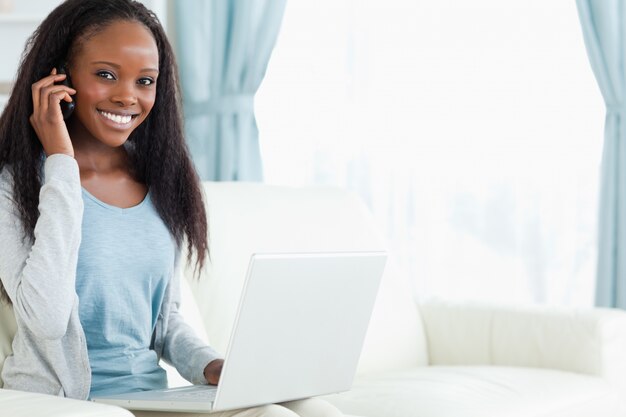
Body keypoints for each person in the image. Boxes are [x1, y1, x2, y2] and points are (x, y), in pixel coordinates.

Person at [0, 1, 342, 416]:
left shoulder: (162, 180)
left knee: (311, 409)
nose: (128, 96)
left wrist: (211, 365)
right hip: (67, 403)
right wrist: (61, 165)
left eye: (145, 80)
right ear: (59, 78)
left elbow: (164, 322)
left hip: (148, 399)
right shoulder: (15, 187)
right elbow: (48, 319)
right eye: (106, 75)